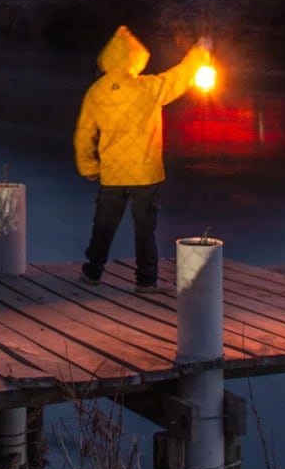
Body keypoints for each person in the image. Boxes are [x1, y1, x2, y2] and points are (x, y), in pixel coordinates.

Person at [74, 25, 211, 291]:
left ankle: (92, 272)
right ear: (135, 58)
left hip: (113, 172)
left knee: (103, 225)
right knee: (145, 230)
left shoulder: (96, 92)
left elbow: (84, 134)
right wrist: (199, 52)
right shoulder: (147, 88)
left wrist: (89, 167)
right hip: (145, 174)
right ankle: (146, 280)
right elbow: (179, 78)